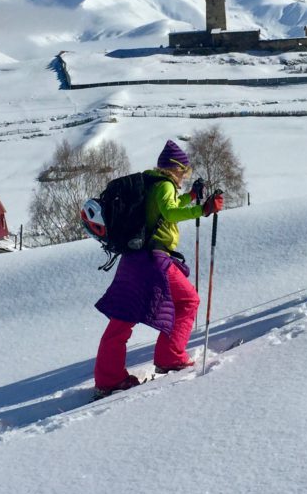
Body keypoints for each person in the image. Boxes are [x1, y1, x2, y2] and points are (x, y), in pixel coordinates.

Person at [92, 140, 223, 398]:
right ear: (176, 169)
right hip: (153, 260)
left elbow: (163, 208)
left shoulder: (152, 184)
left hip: (134, 259)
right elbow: (170, 212)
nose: (184, 177)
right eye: (184, 172)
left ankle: (108, 378)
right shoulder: (164, 185)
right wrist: (203, 209)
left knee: (122, 320)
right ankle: (170, 357)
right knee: (188, 301)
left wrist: (191, 198)